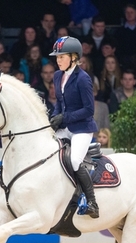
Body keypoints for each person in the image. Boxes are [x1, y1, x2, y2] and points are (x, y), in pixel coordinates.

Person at [48, 36, 99, 218]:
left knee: (75, 161)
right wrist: (55, 118)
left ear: (74, 58)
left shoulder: (83, 79)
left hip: (82, 128)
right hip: (66, 126)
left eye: (62, 56)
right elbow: (59, 103)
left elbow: (89, 109)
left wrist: (65, 117)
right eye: (57, 56)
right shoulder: (57, 76)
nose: (58, 60)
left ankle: (92, 202)